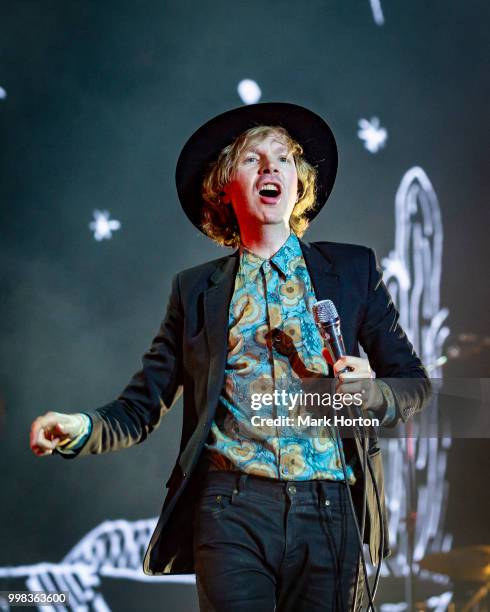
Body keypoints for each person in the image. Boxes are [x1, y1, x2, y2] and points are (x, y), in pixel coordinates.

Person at [30, 102, 430, 611]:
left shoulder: (352, 271)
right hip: (233, 509)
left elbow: (414, 382)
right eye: (252, 159)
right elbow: (140, 406)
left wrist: (374, 393)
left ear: (299, 183)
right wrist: (80, 427)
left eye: (284, 158)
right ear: (224, 186)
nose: (270, 168)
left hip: (330, 509)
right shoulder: (196, 292)